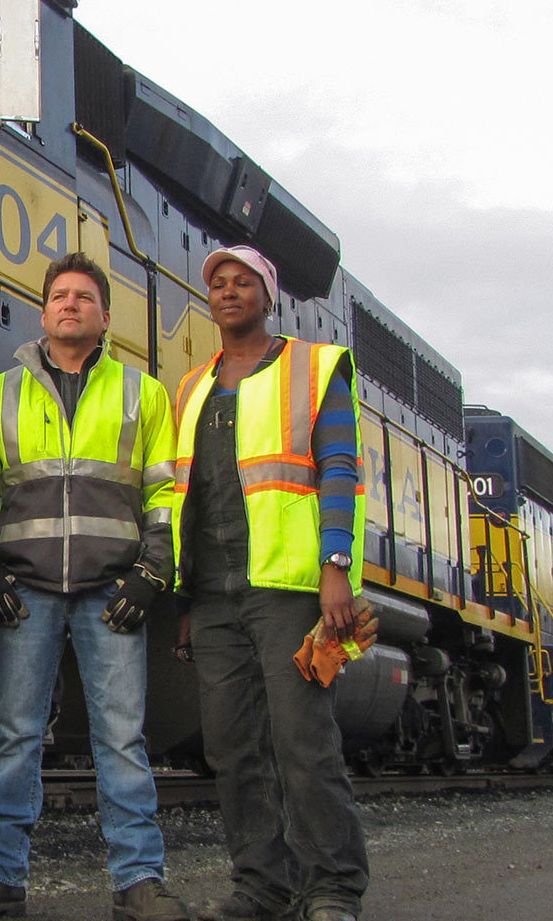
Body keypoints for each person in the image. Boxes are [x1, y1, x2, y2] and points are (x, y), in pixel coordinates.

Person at [0, 252, 189, 921]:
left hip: (114, 590)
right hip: (26, 589)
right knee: (16, 732)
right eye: (59, 295)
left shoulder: (145, 394)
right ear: (43, 311)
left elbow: (165, 489)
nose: (70, 304)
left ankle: (139, 881)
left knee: (121, 738)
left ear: (106, 315)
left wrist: (153, 569)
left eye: (84, 296)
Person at [170, 245, 369, 921]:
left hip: (288, 588)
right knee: (231, 747)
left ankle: (334, 887)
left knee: (302, 741)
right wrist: (190, 597)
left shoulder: (314, 370)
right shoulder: (193, 387)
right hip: (216, 594)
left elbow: (340, 465)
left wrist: (334, 569)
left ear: (269, 294)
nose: (229, 291)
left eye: (243, 282)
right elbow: (191, 495)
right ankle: (263, 885)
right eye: (218, 283)